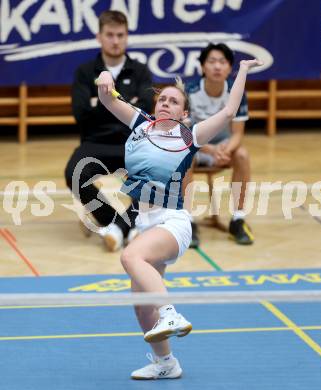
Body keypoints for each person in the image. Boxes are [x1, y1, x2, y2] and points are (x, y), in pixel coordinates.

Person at [96, 58, 261, 379]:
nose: (166, 104)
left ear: (184, 112)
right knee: (142, 305)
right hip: (145, 223)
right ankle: (166, 364)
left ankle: (170, 312)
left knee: (131, 257)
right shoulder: (139, 123)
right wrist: (104, 78)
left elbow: (228, 112)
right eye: (162, 99)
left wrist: (240, 71)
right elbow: (106, 98)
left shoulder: (190, 136)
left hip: (172, 223)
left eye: (174, 101)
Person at [64, 10, 154, 251]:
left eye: (120, 35)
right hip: (95, 142)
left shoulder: (141, 71)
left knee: (156, 173)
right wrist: (126, 103)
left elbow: (145, 112)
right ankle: (118, 224)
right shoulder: (85, 72)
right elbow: (81, 114)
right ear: (99, 37)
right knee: (74, 173)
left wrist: (101, 102)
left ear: (127, 37)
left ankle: (118, 230)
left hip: (132, 142)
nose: (115, 41)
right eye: (110, 35)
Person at [186, 43, 254, 246]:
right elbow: (185, 133)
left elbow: (238, 134)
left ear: (230, 68)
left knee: (242, 155)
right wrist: (210, 149)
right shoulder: (189, 91)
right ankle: (187, 220)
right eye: (212, 61)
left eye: (222, 62)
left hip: (224, 147)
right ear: (202, 67)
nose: (217, 67)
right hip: (197, 145)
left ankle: (238, 218)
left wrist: (226, 151)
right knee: (184, 155)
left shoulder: (237, 91)